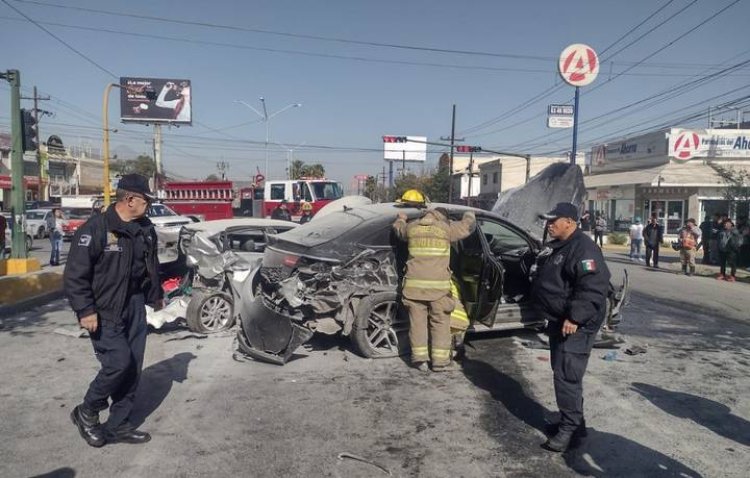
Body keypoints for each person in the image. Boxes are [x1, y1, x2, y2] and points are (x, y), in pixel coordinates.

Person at [64, 174, 163, 448]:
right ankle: (87, 411)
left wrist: (156, 296)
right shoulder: (95, 229)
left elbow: (150, 266)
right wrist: (85, 310)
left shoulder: (145, 228)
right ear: (129, 199)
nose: (149, 206)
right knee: (118, 363)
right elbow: (75, 276)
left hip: (134, 305)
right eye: (147, 201)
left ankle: (118, 425)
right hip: (104, 308)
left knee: (133, 367)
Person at [530, 202, 611, 453]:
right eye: (548, 220)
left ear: (570, 222)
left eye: (554, 220)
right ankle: (577, 423)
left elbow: (593, 288)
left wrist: (575, 318)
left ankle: (569, 429)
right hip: (561, 319)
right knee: (564, 373)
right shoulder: (562, 245)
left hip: (578, 323)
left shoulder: (584, 248)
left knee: (567, 375)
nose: (549, 224)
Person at [393, 190, 475, 373]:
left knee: (418, 324)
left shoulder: (412, 227)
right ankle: (440, 363)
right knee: (440, 324)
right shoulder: (447, 229)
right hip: (438, 289)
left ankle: (420, 361)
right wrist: (469, 212)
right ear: (443, 218)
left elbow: (398, 231)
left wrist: (401, 217)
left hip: (413, 288)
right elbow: (468, 227)